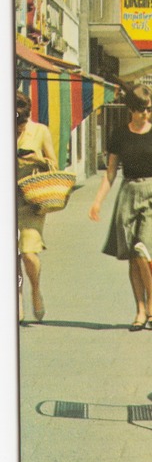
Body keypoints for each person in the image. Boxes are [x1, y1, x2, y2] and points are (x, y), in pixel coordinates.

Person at [89, 84, 152, 331]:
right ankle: (139, 309)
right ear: (130, 109)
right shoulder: (119, 135)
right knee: (131, 256)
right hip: (128, 193)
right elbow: (110, 173)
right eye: (141, 110)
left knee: (143, 252)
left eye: (149, 110)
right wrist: (97, 201)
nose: (146, 114)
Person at [16, 90, 56, 323]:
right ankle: (17, 301)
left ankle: (36, 290)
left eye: (20, 127)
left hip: (32, 200)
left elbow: (54, 165)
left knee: (28, 254)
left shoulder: (40, 131)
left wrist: (37, 159)